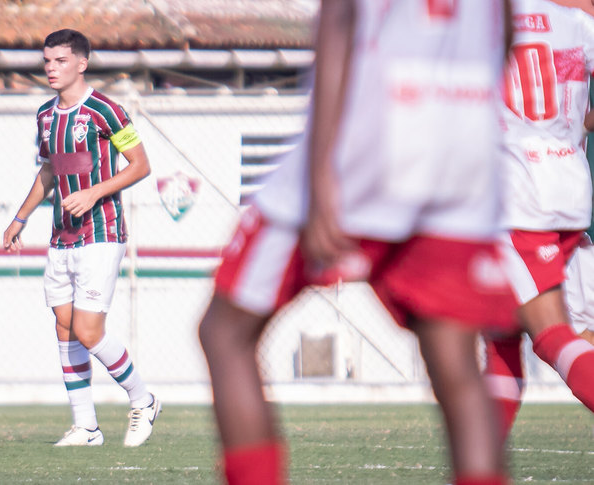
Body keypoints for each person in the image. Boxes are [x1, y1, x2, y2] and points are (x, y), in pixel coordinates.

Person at [198, 2, 516, 484]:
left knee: (226, 332)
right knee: (456, 363)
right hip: (464, 134)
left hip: (373, 130)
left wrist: (320, 172)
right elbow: (506, 26)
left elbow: (341, 16)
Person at [3, 28, 159, 447]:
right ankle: (86, 427)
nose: (51, 68)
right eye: (47, 61)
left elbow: (140, 165)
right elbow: (50, 171)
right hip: (62, 237)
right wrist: (20, 217)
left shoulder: (105, 111)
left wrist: (94, 192)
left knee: (89, 330)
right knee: (65, 327)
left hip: (102, 233)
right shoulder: (45, 115)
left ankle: (143, 399)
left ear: (82, 63)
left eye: (61, 61)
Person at [483, 0, 594, 444]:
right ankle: (481, 462)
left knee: (551, 335)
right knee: (502, 331)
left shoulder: (482, 17)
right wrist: (573, 125)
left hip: (517, 196)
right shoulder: (577, 21)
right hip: (570, 187)